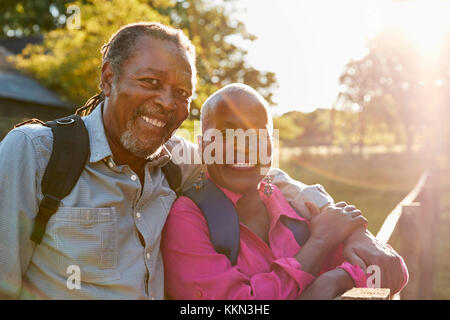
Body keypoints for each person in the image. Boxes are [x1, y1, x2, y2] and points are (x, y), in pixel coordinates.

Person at [0, 22, 405, 300]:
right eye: (150, 82)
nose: (165, 101)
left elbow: (266, 174)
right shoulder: (37, 153)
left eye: (181, 92)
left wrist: (357, 234)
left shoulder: (176, 159)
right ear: (108, 79)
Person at [161, 84, 408, 299]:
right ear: (204, 146)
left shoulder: (291, 202)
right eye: (226, 133)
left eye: (257, 132)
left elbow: (392, 270)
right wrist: (320, 246)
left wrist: (338, 279)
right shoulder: (187, 217)